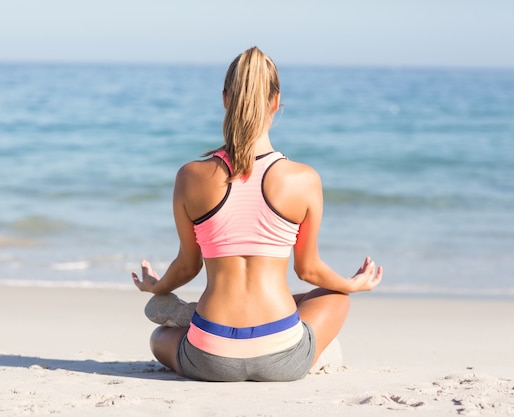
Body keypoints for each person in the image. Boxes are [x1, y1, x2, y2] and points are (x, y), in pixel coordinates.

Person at [132, 46, 382, 382]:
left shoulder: (190, 176)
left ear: (224, 99)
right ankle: (315, 350)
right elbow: (308, 269)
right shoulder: (303, 179)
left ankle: (186, 315)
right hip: (283, 354)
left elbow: (187, 266)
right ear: (276, 102)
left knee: (159, 337)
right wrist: (353, 284)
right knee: (334, 296)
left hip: (210, 354)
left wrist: (156, 286)